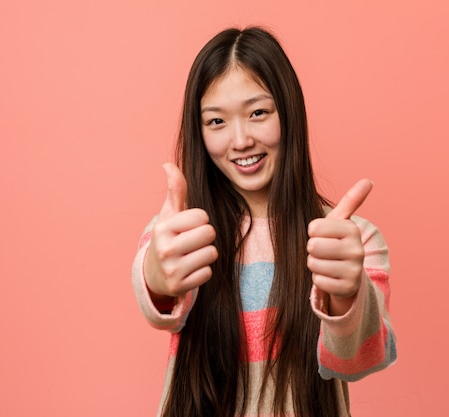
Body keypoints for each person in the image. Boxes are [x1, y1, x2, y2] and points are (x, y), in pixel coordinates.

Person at [131, 26, 396, 417]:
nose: (240, 140)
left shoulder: (348, 240)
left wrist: (345, 294)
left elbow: (359, 359)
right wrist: (155, 275)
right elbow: (157, 289)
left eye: (257, 113)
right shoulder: (182, 233)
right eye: (216, 122)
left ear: (288, 113)